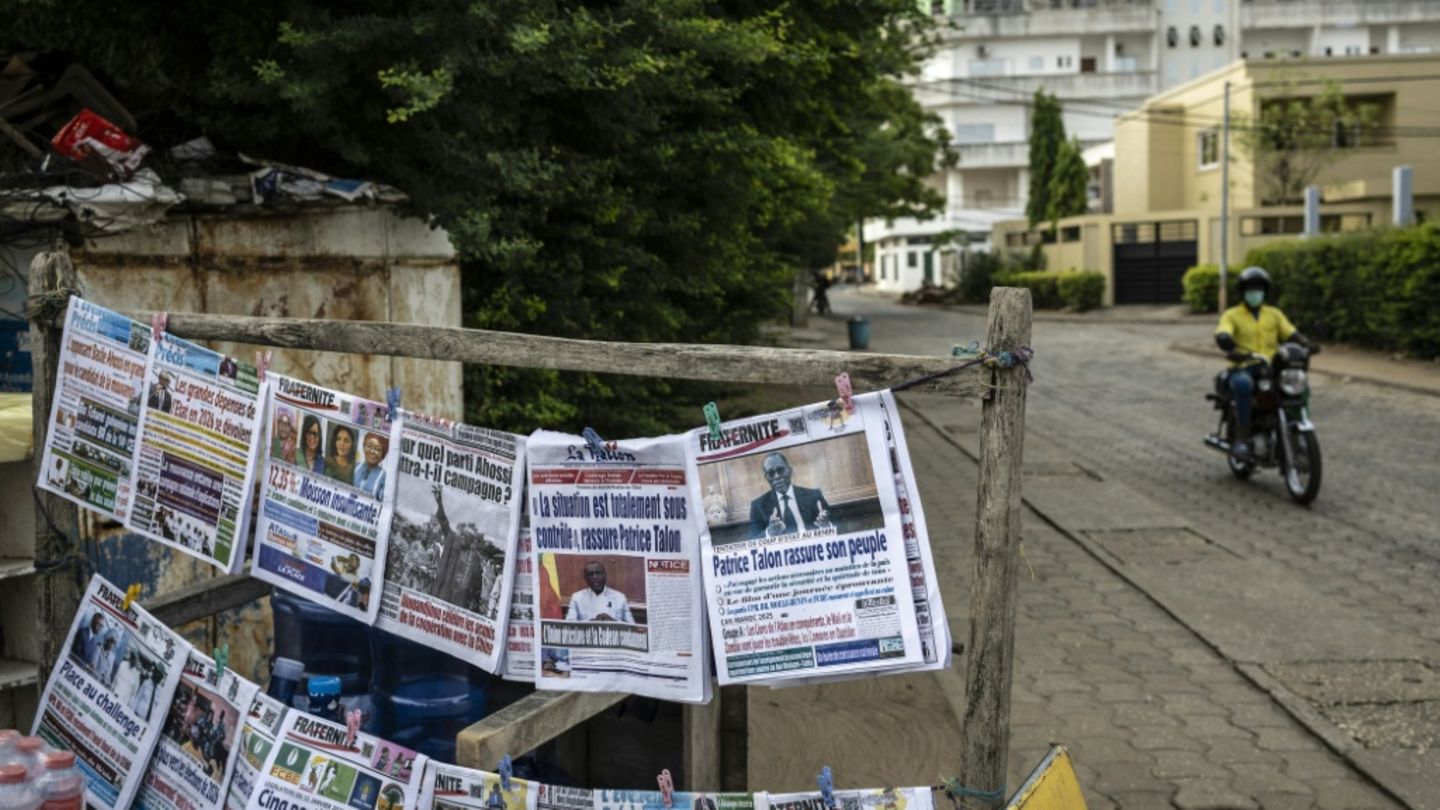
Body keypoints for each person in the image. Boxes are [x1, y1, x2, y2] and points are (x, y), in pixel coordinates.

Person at [1214, 266, 1313, 461]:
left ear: (1265, 291)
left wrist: (1306, 343)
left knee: (1300, 386)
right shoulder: (1232, 315)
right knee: (1243, 385)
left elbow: (1290, 333)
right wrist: (1225, 339)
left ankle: (1299, 431)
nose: (1255, 293)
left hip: (1271, 367)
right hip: (1244, 366)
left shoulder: (1274, 314)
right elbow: (1223, 331)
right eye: (1250, 289)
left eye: (1259, 289)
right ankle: (1243, 438)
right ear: (1242, 291)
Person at [747, 451, 834, 539]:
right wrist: (770, 532)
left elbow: (840, 528)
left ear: (789, 470)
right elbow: (753, 541)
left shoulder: (814, 496)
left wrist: (827, 526)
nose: (776, 476)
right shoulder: (758, 506)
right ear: (766, 478)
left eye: (780, 470)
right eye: (771, 473)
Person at [565, 561, 634, 623]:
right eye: (590, 574)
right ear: (585, 578)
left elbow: (632, 627)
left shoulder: (620, 598)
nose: (595, 577)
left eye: (598, 573)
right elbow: (569, 625)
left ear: (605, 575)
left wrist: (613, 622)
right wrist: (593, 622)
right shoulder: (577, 598)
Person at [353, 433, 389, 499]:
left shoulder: (385, 478)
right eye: (369, 446)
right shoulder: (354, 467)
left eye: (377, 449)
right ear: (364, 448)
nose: (372, 451)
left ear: (382, 455)